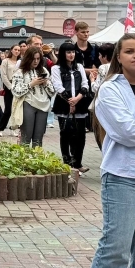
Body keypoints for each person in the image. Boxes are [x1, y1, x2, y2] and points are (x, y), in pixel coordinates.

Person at [85, 33, 135, 268]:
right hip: (124, 176)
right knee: (116, 248)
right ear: (118, 57)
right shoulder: (110, 88)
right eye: (130, 51)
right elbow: (126, 132)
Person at [50, 42, 90, 172]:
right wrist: (70, 102)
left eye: (73, 52)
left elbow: (85, 84)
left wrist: (77, 99)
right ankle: (67, 163)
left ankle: (78, 163)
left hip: (80, 103)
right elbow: (58, 86)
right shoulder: (56, 69)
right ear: (63, 53)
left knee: (80, 135)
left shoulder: (79, 67)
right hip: (63, 104)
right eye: (68, 52)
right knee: (65, 134)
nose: (71, 54)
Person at [10, 47, 55, 147]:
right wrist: (31, 84)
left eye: (38, 59)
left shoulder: (44, 70)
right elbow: (16, 91)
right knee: (26, 137)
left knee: (38, 139)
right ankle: (23, 161)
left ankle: (37, 161)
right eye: (33, 59)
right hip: (28, 103)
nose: (35, 61)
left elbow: (52, 92)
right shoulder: (20, 72)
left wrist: (46, 83)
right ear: (28, 58)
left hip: (43, 105)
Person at [0, 44, 22, 138]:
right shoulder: (5, 61)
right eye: (15, 49)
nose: (17, 51)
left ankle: (14, 128)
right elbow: (3, 75)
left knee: (17, 109)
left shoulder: (21, 61)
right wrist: (10, 87)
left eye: (18, 50)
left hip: (19, 86)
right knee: (8, 109)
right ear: (11, 50)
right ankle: (0, 128)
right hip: (9, 86)